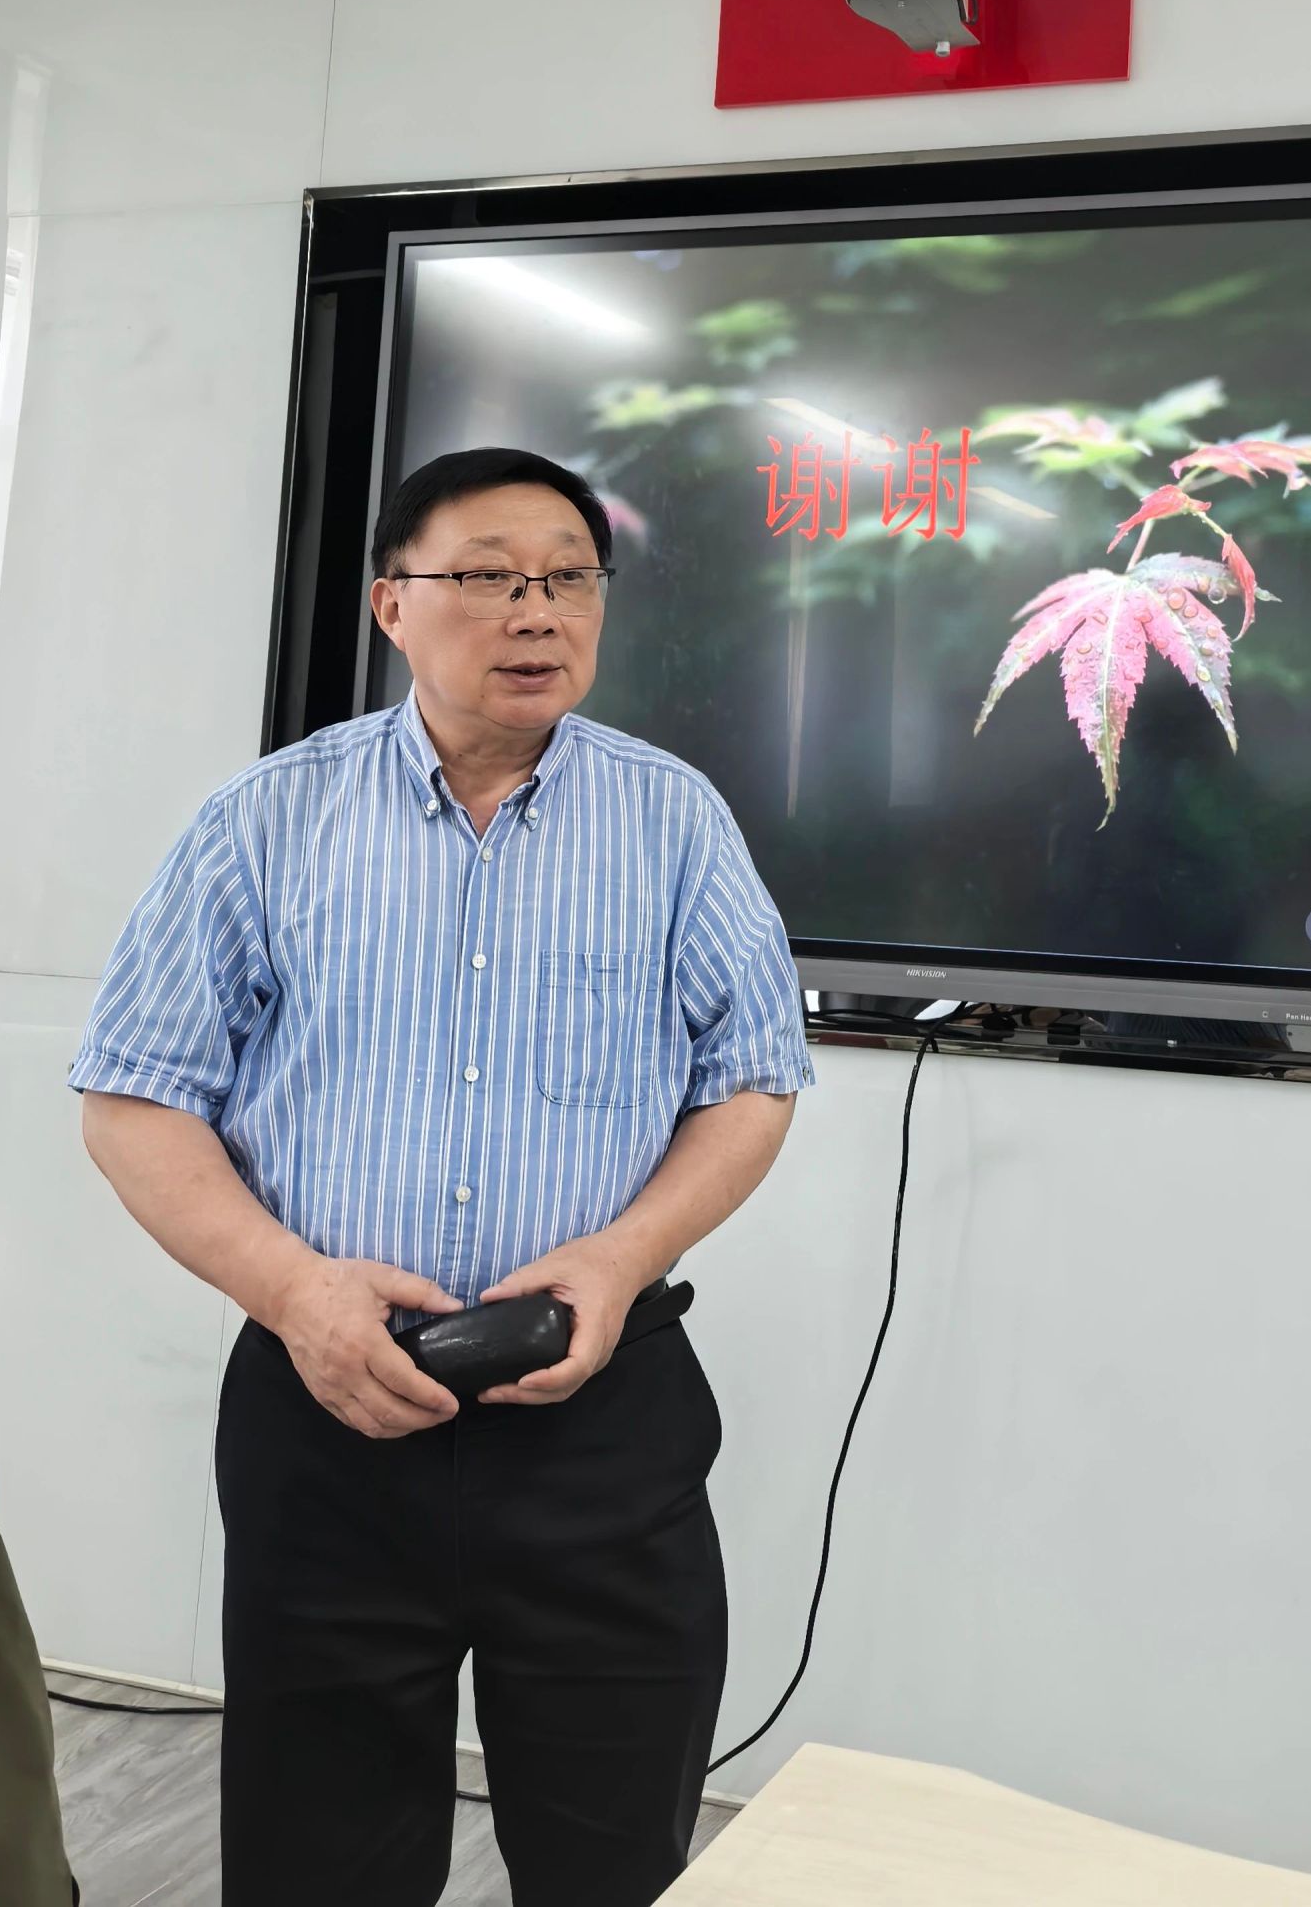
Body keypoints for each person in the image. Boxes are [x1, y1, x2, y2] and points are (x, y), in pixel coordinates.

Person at [70, 446, 811, 1907]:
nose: (536, 611)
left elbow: (754, 1078)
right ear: (391, 604)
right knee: (319, 1858)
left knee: (613, 1857)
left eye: (569, 578)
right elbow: (134, 1098)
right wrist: (295, 1289)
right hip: (329, 1410)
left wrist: (619, 1256)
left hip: (598, 1414)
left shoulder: (674, 819)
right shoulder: (266, 821)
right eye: (487, 576)